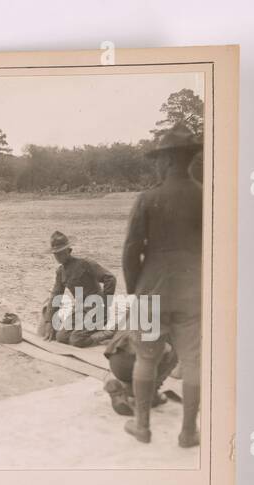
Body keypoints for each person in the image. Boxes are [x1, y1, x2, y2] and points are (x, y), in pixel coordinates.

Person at [121, 123, 203, 447]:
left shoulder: (147, 198)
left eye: (158, 160)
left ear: (167, 161)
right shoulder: (205, 197)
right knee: (194, 361)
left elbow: (131, 250)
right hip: (192, 293)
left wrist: (135, 288)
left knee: (146, 358)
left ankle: (142, 426)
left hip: (151, 289)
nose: (156, 165)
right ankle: (188, 432)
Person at [39, 230, 116, 347]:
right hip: (80, 311)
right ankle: (93, 329)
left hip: (97, 309)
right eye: (55, 254)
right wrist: (49, 321)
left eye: (60, 252)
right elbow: (56, 295)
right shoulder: (61, 272)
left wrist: (106, 304)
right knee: (61, 337)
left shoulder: (85, 264)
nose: (58, 256)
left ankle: (109, 333)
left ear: (69, 251)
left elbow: (110, 278)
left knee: (77, 339)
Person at [102, 333, 178, 416]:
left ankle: (119, 388)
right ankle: (149, 395)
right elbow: (177, 373)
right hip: (135, 364)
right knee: (174, 352)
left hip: (116, 362)